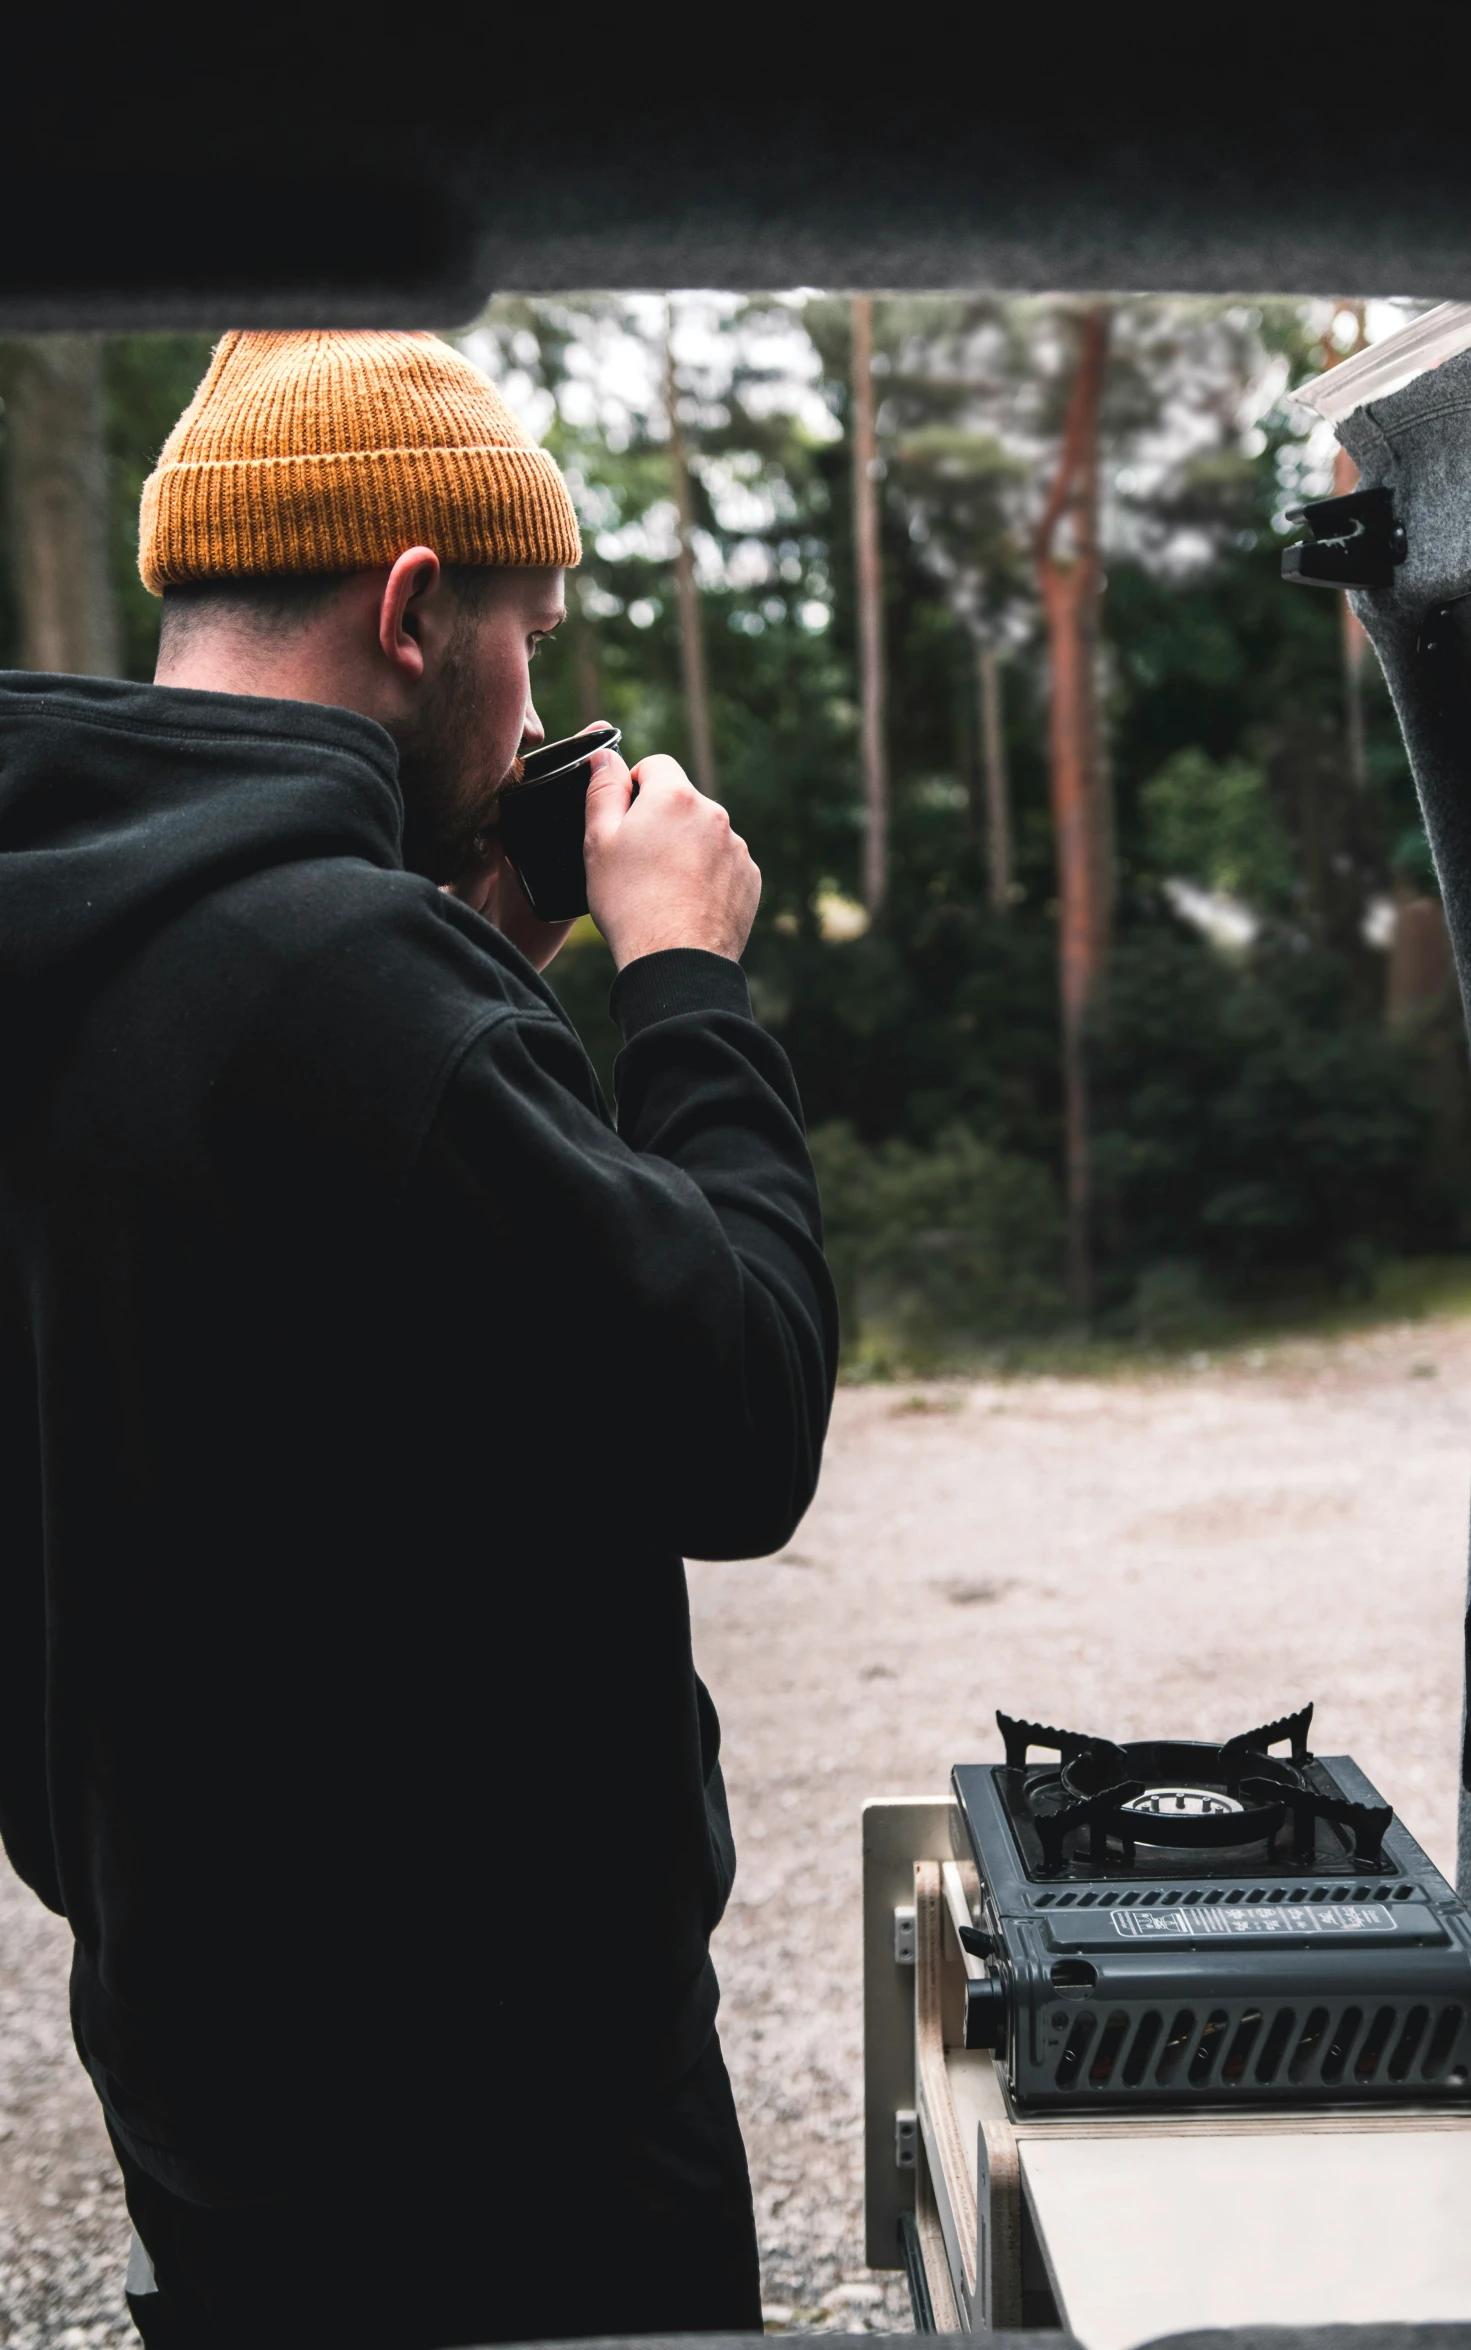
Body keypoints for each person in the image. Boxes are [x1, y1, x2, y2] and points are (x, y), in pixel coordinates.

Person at [0, 330, 836, 2348]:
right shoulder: (354, 981)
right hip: (507, 2108)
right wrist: (687, 978)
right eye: (529, 641)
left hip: (209, 2057)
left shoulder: (73, 922)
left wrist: (486, 965)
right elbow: (738, 1414)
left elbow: (297, 1338)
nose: (538, 699)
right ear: (412, 604)